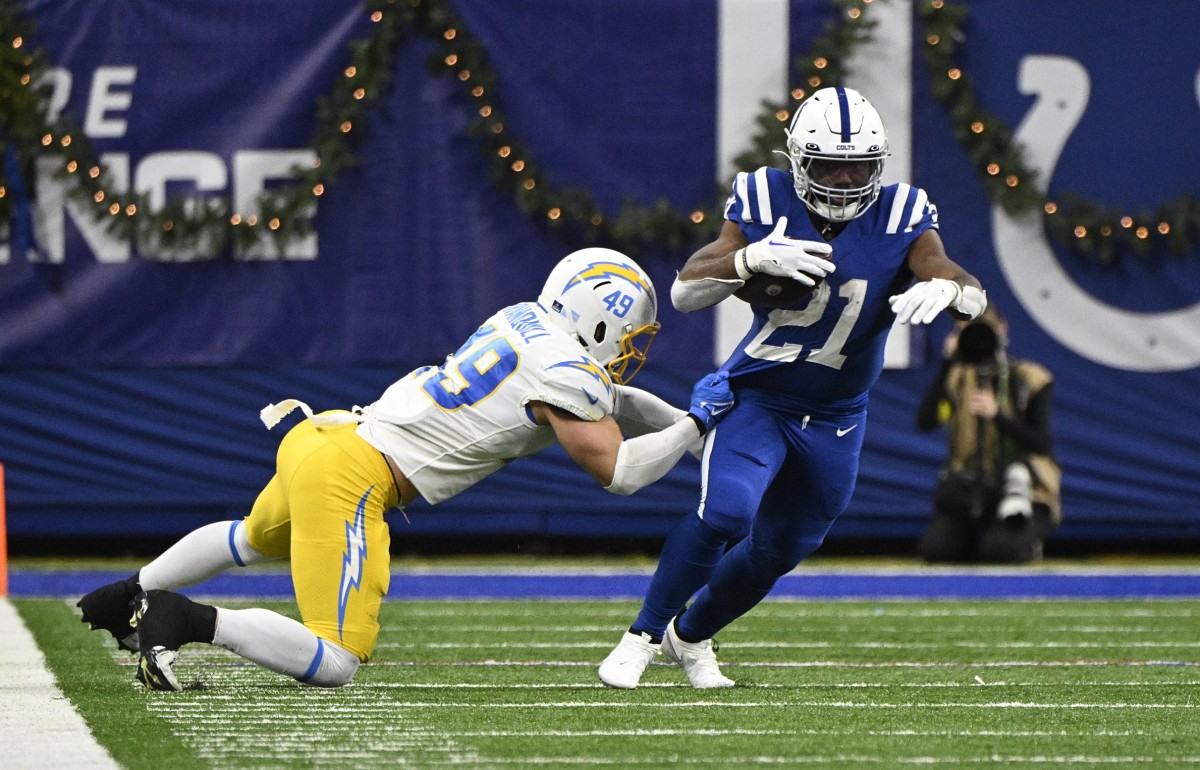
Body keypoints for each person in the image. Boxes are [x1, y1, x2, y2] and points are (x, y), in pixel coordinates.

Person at [77, 248, 735, 691]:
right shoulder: (568, 375)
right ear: (602, 321)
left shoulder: (527, 322)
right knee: (335, 659)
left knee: (252, 536)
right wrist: (695, 425)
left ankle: (125, 593)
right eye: (628, 333)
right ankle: (179, 618)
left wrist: (686, 425)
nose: (628, 349)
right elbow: (620, 472)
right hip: (356, 474)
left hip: (325, 434)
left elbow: (614, 402)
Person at [598, 85, 988, 690]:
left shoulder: (903, 212)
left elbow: (958, 279)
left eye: (857, 165)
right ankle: (641, 638)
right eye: (829, 163)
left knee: (779, 551)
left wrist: (954, 291)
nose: (842, 178)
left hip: (837, 416)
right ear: (797, 160)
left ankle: (691, 638)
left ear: (878, 164)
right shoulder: (764, 196)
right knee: (727, 510)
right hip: (761, 398)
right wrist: (749, 260)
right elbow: (685, 291)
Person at [915, 305, 1060, 563]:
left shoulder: (1030, 378)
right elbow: (926, 422)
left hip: (1022, 490)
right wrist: (947, 363)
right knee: (936, 550)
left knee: (1001, 552)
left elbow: (1041, 444)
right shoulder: (957, 379)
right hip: (969, 489)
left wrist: (997, 415)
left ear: (1001, 330)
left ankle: (1023, 539)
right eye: (965, 331)